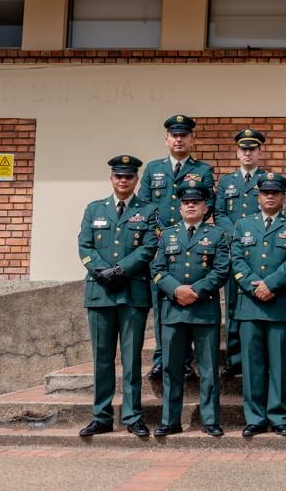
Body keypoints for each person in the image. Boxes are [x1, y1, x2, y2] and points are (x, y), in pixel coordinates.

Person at [77, 155, 158, 438]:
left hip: (132, 293)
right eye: (118, 176)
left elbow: (149, 248)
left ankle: (133, 416)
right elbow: (84, 245)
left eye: (129, 176)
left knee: (132, 359)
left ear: (136, 180)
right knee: (102, 359)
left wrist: (121, 270)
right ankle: (101, 416)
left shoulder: (149, 211)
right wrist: (102, 271)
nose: (123, 180)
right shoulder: (94, 209)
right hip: (100, 292)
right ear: (112, 178)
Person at [150, 181, 229, 437]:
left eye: (196, 202)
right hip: (173, 311)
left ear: (206, 208)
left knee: (208, 370)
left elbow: (221, 271)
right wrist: (176, 290)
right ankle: (170, 420)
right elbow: (157, 270)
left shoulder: (217, 235)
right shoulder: (169, 235)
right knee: (172, 369)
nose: (191, 206)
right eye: (186, 203)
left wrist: (196, 290)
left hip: (204, 311)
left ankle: (210, 420)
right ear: (180, 207)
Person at [229, 172, 286, 437]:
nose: (270, 197)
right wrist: (254, 285)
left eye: (275, 193)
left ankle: (280, 416)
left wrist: (271, 284)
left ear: (284, 197)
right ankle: (255, 417)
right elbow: (237, 261)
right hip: (249, 305)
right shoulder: (242, 225)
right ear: (258, 196)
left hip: (280, 304)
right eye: (265, 193)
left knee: (279, 366)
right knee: (252, 367)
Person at [139, 114, 214, 382]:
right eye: (175, 135)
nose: (179, 139)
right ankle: (162, 359)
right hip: (162, 247)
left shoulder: (203, 171)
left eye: (184, 135)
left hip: (192, 247)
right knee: (162, 304)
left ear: (192, 139)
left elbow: (209, 206)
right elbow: (145, 206)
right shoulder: (153, 169)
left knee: (190, 303)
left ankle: (185, 361)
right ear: (167, 139)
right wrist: (163, 236)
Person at [214, 127, 267, 379]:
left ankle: (260, 356)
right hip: (235, 252)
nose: (248, 153)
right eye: (244, 149)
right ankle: (234, 358)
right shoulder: (226, 182)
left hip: (263, 251)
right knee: (234, 305)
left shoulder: (268, 180)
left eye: (252, 149)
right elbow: (220, 213)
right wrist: (238, 234)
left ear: (259, 152)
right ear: (237, 153)